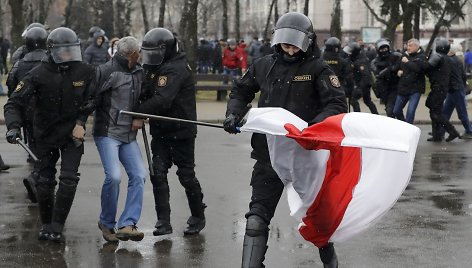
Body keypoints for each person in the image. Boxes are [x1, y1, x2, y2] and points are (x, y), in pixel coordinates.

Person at [223, 12, 347, 268]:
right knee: (256, 219)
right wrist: (234, 113)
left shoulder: (319, 69)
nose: (289, 49)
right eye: (285, 43)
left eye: (294, 44)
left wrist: (311, 129)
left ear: (307, 42)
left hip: (305, 157)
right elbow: (241, 90)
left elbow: (336, 103)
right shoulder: (263, 64)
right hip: (269, 154)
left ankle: (329, 260)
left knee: (318, 220)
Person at [4, 27, 95, 243]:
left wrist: (82, 121)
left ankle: (58, 226)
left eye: (71, 51)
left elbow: (93, 98)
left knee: (69, 179)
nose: (68, 55)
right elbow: (13, 103)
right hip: (44, 134)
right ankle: (46, 224)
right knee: (44, 181)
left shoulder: (85, 71)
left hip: (73, 134)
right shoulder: (37, 74)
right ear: (52, 50)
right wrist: (14, 126)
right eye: (64, 51)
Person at [137, 27, 207, 237]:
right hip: (161, 131)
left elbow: (162, 99)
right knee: (157, 173)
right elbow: (146, 90)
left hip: (181, 131)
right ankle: (163, 221)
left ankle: (198, 215)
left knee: (186, 175)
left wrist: (136, 112)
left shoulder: (176, 69)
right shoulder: (153, 66)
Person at [93, 36, 146, 243]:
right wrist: (79, 121)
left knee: (139, 175)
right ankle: (107, 223)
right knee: (114, 176)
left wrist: (139, 115)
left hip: (128, 135)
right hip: (107, 132)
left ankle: (127, 224)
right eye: (138, 52)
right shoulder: (108, 71)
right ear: (131, 54)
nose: (140, 55)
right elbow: (91, 97)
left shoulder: (139, 71)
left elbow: (144, 97)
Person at [6, 26, 48, 202]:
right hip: (48, 112)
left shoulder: (19, 64)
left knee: (34, 141)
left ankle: (38, 174)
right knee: (47, 148)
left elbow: (12, 87)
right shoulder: (51, 62)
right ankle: (39, 178)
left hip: (28, 112)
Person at [425, 38, 460, 142]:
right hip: (440, 88)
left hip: (439, 88)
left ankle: (452, 132)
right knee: (433, 109)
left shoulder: (439, 57)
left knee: (435, 113)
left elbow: (428, 67)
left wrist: (423, 63)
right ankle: (437, 135)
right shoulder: (446, 59)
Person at [439, 44, 472, 139]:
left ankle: (469, 131)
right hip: (455, 89)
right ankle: (440, 132)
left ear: (451, 52)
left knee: (461, 113)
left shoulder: (449, 60)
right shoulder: (457, 60)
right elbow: (463, 75)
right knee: (446, 112)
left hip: (456, 90)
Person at [393, 38, 427, 124]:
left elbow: (418, 69)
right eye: (407, 45)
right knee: (396, 111)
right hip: (403, 88)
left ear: (416, 46)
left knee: (410, 112)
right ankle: (405, 125)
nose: (408, 48)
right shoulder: (404, 55)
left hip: (415, 89)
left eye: (410, 46)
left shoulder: (422, 56)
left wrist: (407, 62)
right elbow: (396, 66)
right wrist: (398, 71)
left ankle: (408, 130)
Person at [323, 37, 358, 112]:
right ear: (337, 48)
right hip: (338, 91)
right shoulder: (343, 62)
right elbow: (349, 79)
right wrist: (350, 91)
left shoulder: (320, 60)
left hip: (322, 91)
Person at [370, 39, 401, 117]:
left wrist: (398, 69)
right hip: (384, 88)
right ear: (378, 50)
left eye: (385, 48)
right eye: (381, 49)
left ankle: (401, 124)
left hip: (395, 87)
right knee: (391, 109)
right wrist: (389, 69)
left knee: (391, 110)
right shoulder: (375, 62)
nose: (384, 51)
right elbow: (377, 74)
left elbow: (404, 63)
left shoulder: (396, 56)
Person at [347, 42, 379, 114]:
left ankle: (358, 116)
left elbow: (365, 75)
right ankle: (376, 114)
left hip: (363, 85)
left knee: (353, 100)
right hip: (364, 84)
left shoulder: (360, 61)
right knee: (367, 101)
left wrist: (359, 88)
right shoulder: (358, 58)